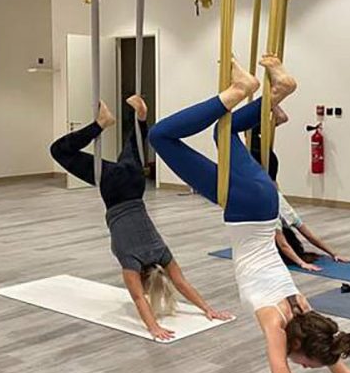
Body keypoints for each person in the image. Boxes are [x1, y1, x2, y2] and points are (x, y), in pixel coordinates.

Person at [150, 57, 350, 373]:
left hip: (262, 201)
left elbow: (335, 363)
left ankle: (275, 93)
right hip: (247, 206)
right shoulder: (276, 322)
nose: (302, 367)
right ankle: (241, 89)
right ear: (297, 344)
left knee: (226, 131)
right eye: (306, 364)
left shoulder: (304, 312)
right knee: (161, 136)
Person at [50, 95, 231, 340]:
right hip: (114, 190)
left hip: (136, 186)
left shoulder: (162, 253)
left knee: (132, 151)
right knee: (59, 151)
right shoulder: (130, 262)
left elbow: (182, 284)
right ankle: (101, 123)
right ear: (144, 278)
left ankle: (140, 119)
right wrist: (153, 327)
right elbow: (138, 298)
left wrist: (208, 309)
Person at [250, 111, 350, 271]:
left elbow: (289, 244)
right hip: (262, 172)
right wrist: (332, 254)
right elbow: (291, 243)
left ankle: (273, 111)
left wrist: (330, 255)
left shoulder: (277, 220)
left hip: (267, 171)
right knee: (251, 135)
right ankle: (272, 109)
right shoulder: (280, 219)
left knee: (253, 134)